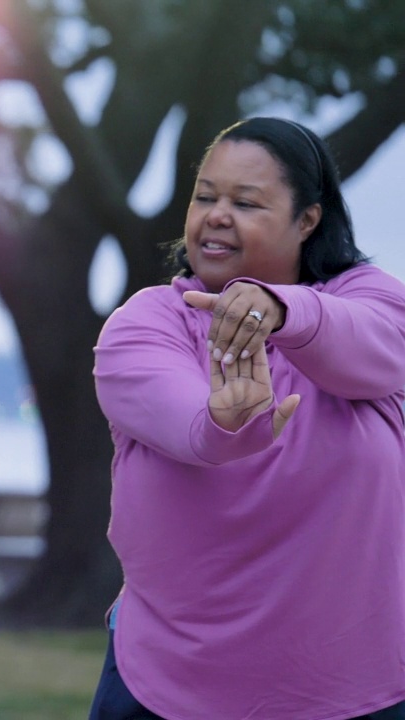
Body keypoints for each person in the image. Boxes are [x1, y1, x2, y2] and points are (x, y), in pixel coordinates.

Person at [90, 116, 405, 719]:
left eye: (245, 201)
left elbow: (376, 345)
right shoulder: (148, 322)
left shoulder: (370, 301)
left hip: (358, 691)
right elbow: (185, 423)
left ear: (308, 219)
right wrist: (222, 424)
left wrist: (283, 311)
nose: (216, 214)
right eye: (205, 196)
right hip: (168, 689)